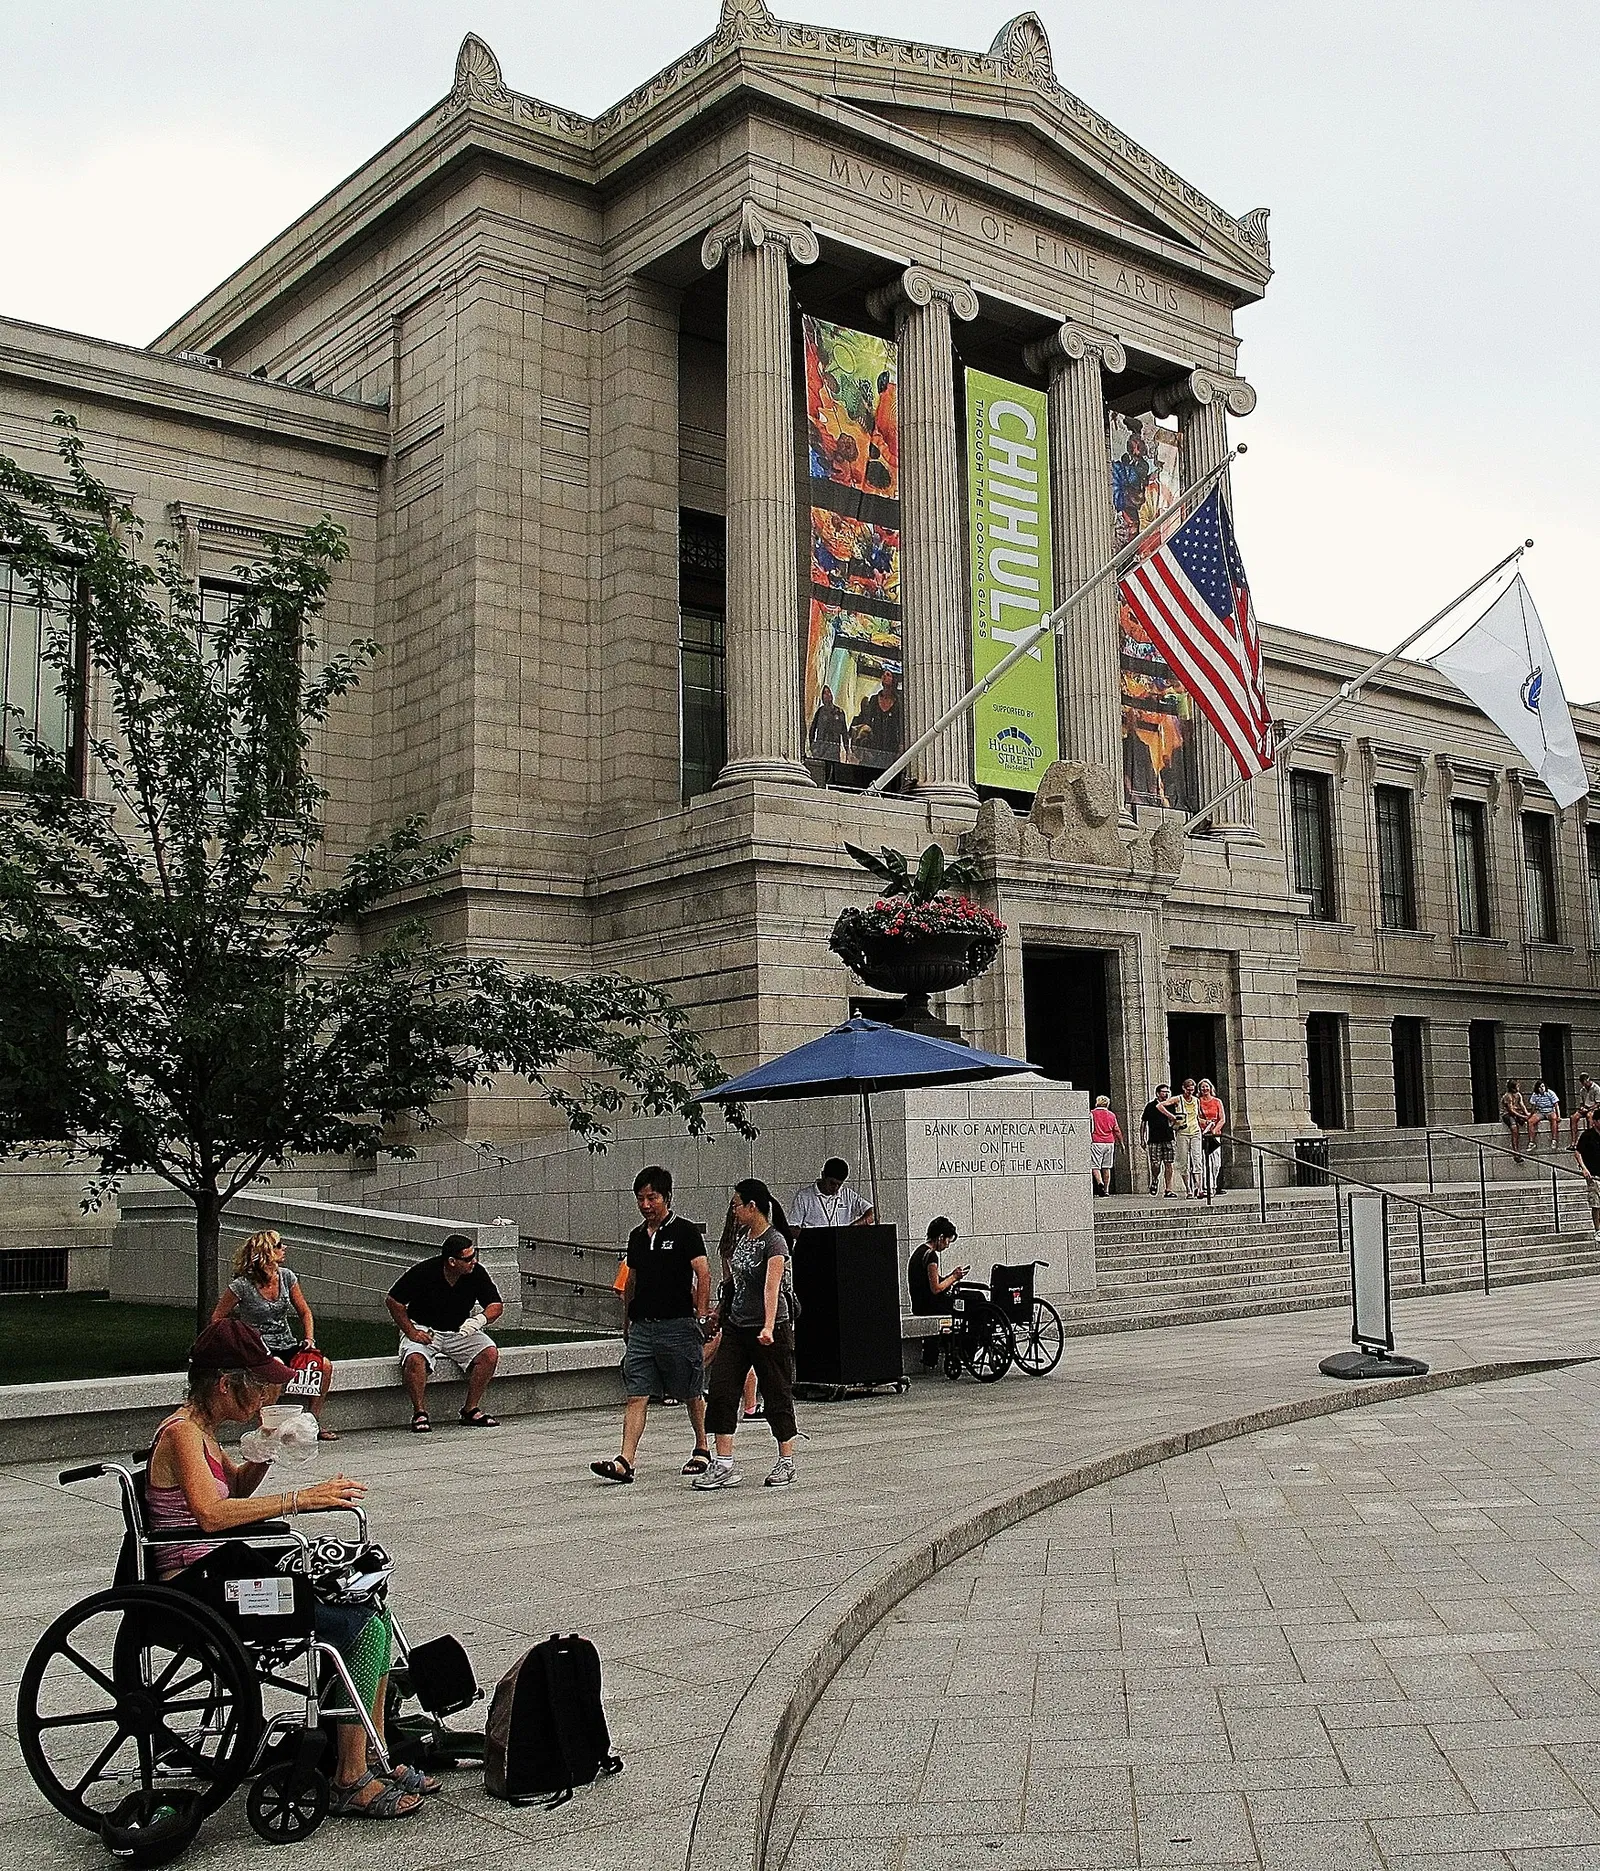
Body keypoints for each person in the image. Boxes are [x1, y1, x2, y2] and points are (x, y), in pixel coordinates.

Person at [146, 1319, 431, 1819]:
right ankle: (349, 1775)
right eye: (255, 1390)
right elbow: (212, 1517)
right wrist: (300, 1500)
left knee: (369, 1607)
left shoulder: (204, 1434)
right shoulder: (182, 1435)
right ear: (223, 1383)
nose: (259, 1401)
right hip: (200, 1588)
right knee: (359, 1627)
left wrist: (265, 1447)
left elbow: (233, 1493)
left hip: (221, 1574)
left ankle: (371, 1753)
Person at [591, 1166, 713, 1484]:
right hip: (643, 1327)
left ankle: (702, 1448)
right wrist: (627, 1320)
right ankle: (625, 1460)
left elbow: (703, 1273)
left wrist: (700, 1316)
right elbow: (631, 1278)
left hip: (679, 1325)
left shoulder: (685, 1232)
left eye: (652, 1198)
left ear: (667, 1197)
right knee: (636, 1393)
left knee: (691, 1390)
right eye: (641, 1198)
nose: (646, 1205)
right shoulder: (636, 1236)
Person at [696, 1179, 799, 1491]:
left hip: (770, 1329)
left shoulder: (775, 1242)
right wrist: (719, 1312)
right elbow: (735, 1284)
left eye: (737, 1205)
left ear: (752, 1207)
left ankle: (786, 1460)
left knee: (776, 1391)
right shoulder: (742, 1238)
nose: (734, 1211)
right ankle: (724, 1462)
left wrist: (768, 1326)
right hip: (738, 1327)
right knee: (723, 1389)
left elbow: (772, 1287)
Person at [211, 1228, 337, 1440]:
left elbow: (305, 1311)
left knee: (323, 1365)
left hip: (286, 1342)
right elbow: (217, 1318)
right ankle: (269, 1430)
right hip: (258, 1347)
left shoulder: (287, 1277)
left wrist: (309, 1338)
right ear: (266, 1251)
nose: (283, 1248)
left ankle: (312, 1423)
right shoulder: (242, 1285)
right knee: (274, 1369)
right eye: (278, 1245)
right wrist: (239, 1339)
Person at [386, 1235, 503, 1432]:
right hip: (425, 1329)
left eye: (474, 1255)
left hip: (459, 1330)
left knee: (489, 1353)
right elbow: (393, 1301)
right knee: (414, 1358)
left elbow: (496, 1305)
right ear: (452, 1261)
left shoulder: (476, 1272)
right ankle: (420, 1413)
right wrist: (411, 1331)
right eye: (468, 1259)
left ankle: (470, 1409)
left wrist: (478, 1320)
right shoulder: (425, 1272)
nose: (473, 1261)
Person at [907, 1218, 968, 1368]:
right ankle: (965, 1349)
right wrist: (954, 1277)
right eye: (948, 1241)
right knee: (971, 1303)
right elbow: (936, 1288)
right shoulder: (931, 1256)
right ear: (941, 1237)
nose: (947, 1245)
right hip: (929, 1306)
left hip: (920, 1304)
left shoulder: (919, 1252)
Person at [789, 1157, 876, 1232]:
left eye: (839, 1184)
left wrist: (852, 1228)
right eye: (832, 1183)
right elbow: (793, 1228)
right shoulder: (804, 1197)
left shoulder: (847, 1194)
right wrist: (811, 1235)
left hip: (841, 1245)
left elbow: (873, 1214)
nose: (835, 1187)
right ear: (823, 1175)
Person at [851, 667, 901, 764]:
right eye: (884, 675)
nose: (884, 677)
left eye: (888, 675)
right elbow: (867, 721)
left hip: (890, 745)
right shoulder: (874, 699)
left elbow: (900, 725)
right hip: (874, 744)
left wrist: (900, 747)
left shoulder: (898, 703)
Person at [1139, 1084, 1180, 1197]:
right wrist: (1142, 1139)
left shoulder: (1171, 1105)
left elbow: (1176, 1121)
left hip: (1168, 1138)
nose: (1166, 1094)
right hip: (1154, 1139)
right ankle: (1155, 1179)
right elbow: (1143, 1123)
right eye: (1163, 1092)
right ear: (1157, 1093)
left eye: (1167, 1092)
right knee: (1155, 1164)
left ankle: (1168, 1189)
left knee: (1169, 1163)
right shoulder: (1150, 1106)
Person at [1173, 1077, 1204, 1197]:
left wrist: (1205, 1122)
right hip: (1182, 1132)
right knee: (1183, 1161)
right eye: (1188, 1090)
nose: (1190, 1092)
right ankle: (1188, 1189)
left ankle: (1199, 1187)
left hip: (1195, 1131)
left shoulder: (1196, 1100)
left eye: (1192, 1090)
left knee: (1197, 1158)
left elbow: (1197, 1116)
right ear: (1183, 1088)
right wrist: (1172, 1117)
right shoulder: (1178, 1099)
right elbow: (1161, 1106)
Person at [1573, 1110, 1600, 1240]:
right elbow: (1577, 1153)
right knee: (1596, 1204)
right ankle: (1598, 1230)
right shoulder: (1587, 1135)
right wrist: (1584, 1168)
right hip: (1593, 1175)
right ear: (1595, 1122)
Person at [1197, 1078, 1226, 1197]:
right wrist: (1206, 1123)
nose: (1205, 1089)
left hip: (1215, 1134)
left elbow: (1222, 1118)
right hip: (1203, 1134)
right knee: (1205, 1162)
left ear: (1210, 1088)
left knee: (1216, 1162)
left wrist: (1214, 1129)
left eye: (1206, 1086)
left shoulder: (1217, 1101)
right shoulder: (1197, 1101)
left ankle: (1214, 1182)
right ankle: (1208, 1187)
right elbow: (1196, 1117)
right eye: (1202, 1087)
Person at [1088, 1095, 1122, 1196]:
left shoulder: (1092, 1113)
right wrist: (1121, 1143)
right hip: (1109, 1142)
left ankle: (1100, 1182)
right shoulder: (1112, 1115)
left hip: (1096, 1141)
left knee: (1095, 1165)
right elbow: (1117, 1129)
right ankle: (1106, 1190)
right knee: (1107, 1167)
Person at [808, 685, 848, 766]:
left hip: (834, 749)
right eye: (825, 693)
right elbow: (813, 729)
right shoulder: (820, 711)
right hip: (821, 748)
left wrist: (847, 750)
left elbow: (844, 732)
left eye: (828, 692)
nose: (827, 695)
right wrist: (812, 746)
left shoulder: (839, 712)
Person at [1501, 1080, 1530, 1164]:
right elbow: (1511, 1110)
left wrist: (1527, 1114)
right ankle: (1515, 1152)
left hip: (1517, 1112)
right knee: (1514, 1129)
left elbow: (1522, 1105)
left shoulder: (1518, 1095)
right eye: (1517, 1086)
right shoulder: (1507, 1096)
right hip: (1507, 1114)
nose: (1518, 1088)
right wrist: (1523, 1116)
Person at [1527, 1079, 1561, 1150]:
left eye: (1543, 1086)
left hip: (1550, 1111)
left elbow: (1556, 1105)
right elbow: (1533, 1107)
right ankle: (1531, 1142)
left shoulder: (1550, 1093)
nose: (1542, 1088)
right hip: (1541, 1112)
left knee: (1554, 1119)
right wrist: (1530, 1116)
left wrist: (1558, 1116)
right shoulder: (1535, 1095)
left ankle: (1554, 1140)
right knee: (1530, 1122)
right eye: (1540, 1087)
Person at [1569, 1073, 1600, 1148]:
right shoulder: (1582, 1090)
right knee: (1573, 1117)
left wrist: (1588, 1109)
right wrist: (1582, 1108)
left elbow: (1598, 1103)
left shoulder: (1596, 1088)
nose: (1585, 1085)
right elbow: (1581, 1103)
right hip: (1586, 1107)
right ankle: (1574, 1142)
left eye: (1585, 1082)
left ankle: (1591, 1140)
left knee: (1590, 1117)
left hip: (1594, 1108)